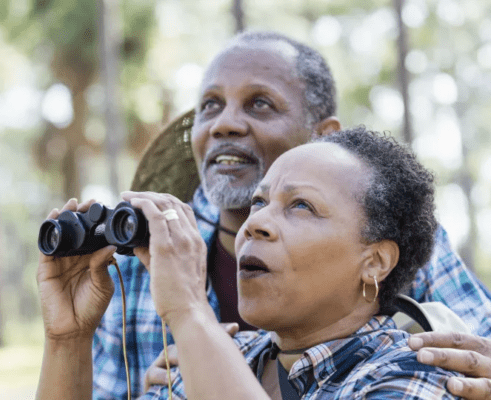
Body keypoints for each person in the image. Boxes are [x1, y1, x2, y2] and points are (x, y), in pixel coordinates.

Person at [91, 31, 491, 400]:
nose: (224, 123)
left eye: (260, 103)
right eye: (210, 105)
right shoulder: (139, 261)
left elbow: (476, 349)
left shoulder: (397, 240)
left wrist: (189, 317)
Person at [37, 127, 463, 399]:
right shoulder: (213, 359)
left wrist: (189, 311)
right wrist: (67, 340)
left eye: (300, 206)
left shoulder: (417, 376)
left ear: (375, 261)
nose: (256, 223)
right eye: (259, 202)